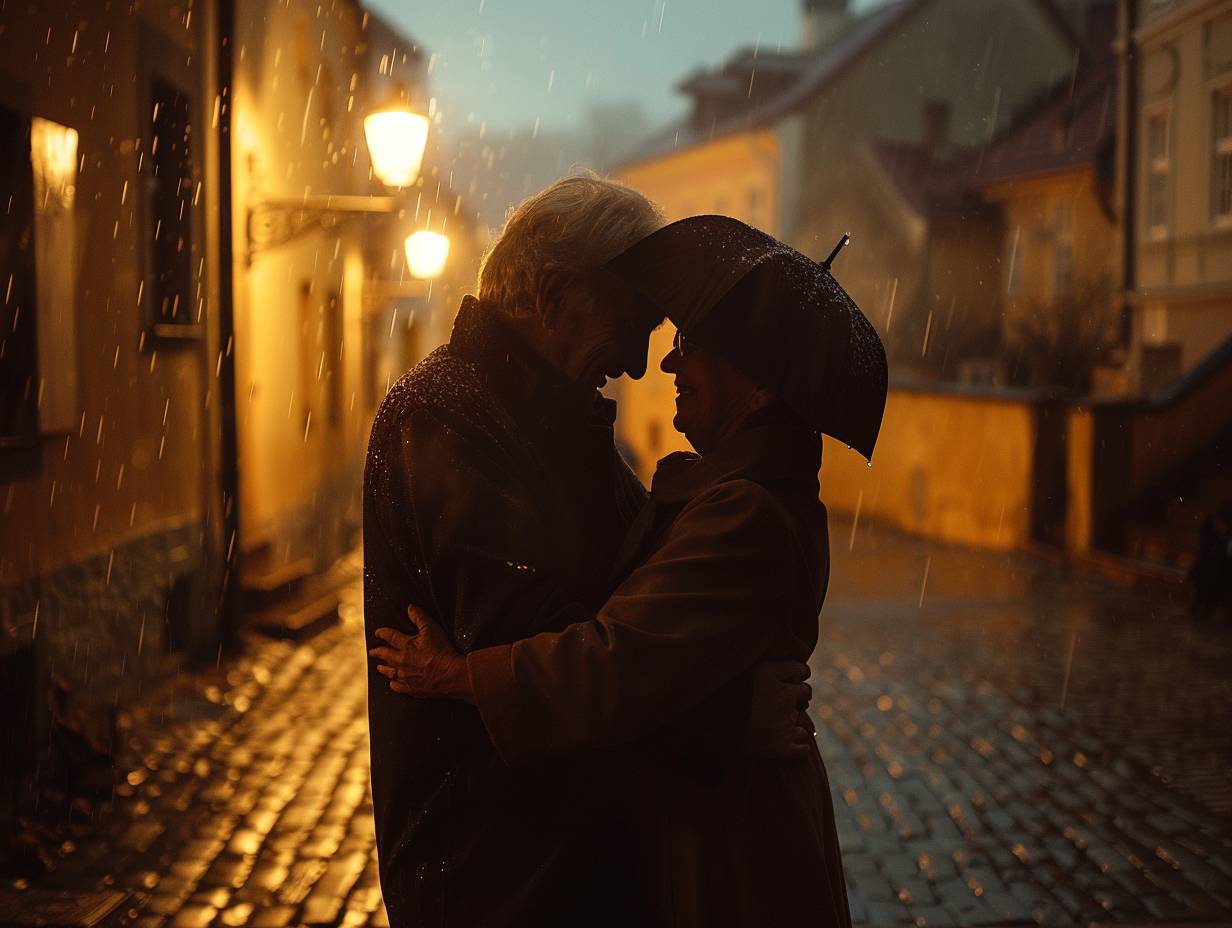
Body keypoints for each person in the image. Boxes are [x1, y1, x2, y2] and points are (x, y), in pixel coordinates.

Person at [371, 215, 889, 925]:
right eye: (643, 327)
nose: (658, 366)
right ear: (553, 298)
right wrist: (729, 717)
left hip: (717, 864)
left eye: (687, 343)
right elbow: (596, 651)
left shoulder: (743, 512)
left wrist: (466, 674)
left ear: (763, 387)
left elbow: (615, 666)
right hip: (494, 873)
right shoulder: (451, 417)